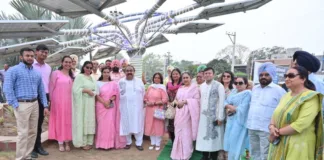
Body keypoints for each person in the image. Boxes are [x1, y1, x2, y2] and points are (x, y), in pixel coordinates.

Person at [268, 66, 323, 160]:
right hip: (279, 142)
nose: (287, 79)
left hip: (299, 144)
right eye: (285, 76)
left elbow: (301, 124)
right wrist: (272, 127)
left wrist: (277, 133)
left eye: (291, 76)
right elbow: (275, 115)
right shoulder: (286, 96)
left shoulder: (310, 97)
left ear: (303, 79)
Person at [3, 47, 49, 160]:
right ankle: (20, 158)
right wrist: (15, 104)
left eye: (31, 56)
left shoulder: (36, 73)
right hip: (21, 104)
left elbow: (41, 90)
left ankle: (27, 156)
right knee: (23, 133)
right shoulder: (13, 70)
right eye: (27, 56)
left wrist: (45, 105)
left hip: (35, 104)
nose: (30, 58)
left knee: (33, 132)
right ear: (21, 57)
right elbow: (7, 88)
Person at [247, 62, 286, 160]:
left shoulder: (279, 90)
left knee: (266, 155)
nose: (263, 77)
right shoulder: (255, 89)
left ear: (272, 75)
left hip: (267, 129)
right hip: (252, 126)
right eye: (261, 75)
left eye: (266, 75)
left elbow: (284, 110)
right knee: (254, 153)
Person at [196, 67, 225, 160]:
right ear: (203, 75)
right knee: (203, 135)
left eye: (209, 73)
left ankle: (213, 157)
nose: (207, 75)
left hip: (214, 116)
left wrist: (220, 117)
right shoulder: (201, 86)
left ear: (213, 74)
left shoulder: (219, 85)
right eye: (206, 73)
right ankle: (204, 156)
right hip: (203, 116)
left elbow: (222, 102)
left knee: (214, 137)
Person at [171, 72, 200, 160]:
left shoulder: (195, 88)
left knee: (186, 133)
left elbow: (197, 101)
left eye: (187, 77)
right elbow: (176, 99)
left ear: (191, 78)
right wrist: (175, 102)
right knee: (178, 132)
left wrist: (185, 101)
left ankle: (186, 154)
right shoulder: (180, 88)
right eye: (184, 78)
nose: (185, 79)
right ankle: (176, 152)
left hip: (189, 113)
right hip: (179, 113)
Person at [95, 67, 126, 149]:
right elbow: (96, 95)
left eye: (107, 72)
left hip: (110, 106)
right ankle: (101, 144)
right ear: (102, 73)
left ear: (110, 73)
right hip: (100, 106)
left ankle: (110, 144)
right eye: (104, 72)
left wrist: (109, 101)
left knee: (110, 125)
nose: (106, 74)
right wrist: (104, 102)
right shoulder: (97, 83)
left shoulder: (113, 83)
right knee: (101, 125)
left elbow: (115, 94)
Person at [48, 56, 74, 152]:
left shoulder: (72, 75)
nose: (68, 64)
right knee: (59, 121)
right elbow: (51, 87)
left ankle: (67, 141)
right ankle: (60, 142)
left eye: (70, 62)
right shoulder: (55, 73)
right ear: (62, 62)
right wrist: (50, 101)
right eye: (66, 62)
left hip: (69, 102)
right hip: (57, 102)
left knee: (68, 121)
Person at [223, 77, 251, 160]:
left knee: (240, 144)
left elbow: (243, 109)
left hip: (240, 123)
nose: (238, 85)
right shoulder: (233, 92)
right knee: (231, 143)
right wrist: (229, 107)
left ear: (246, 84)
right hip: (231, 122)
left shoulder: (248, 93)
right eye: (236, 83)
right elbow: (225, 102)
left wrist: (233, 109)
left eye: (240, 83)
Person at [119, 65, 145, 151]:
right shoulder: (121, 81)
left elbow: (143, 93)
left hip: (137, 108)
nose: (129, 72)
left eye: (131, 70)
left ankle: (139, 143)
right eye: (127, 70)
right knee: (127, 124)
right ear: (125, 72)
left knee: (138, 124)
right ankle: (128, 142)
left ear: (134, 71)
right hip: (125, 107)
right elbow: (118, 93)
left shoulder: (139, 81)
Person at [72, 61, 97, 150]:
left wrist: (92, 92)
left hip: (90, 103)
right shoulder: (79, 77)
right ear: (83, 67)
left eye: (90, 68)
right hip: (82, 103)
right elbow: (75, 90)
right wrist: (86, 90)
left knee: (90, 120)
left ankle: (89, 142)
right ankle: (82, 142)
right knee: (82, 120)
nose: (89, 69)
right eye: (87, 67)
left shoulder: (92, 78)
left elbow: (96, 90)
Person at [32, 44, 51, 158]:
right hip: (33, 96)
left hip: (45, 96)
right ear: (36, 52)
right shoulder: (30, 66)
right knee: (32, 124)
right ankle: (32, 148)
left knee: (39, 123)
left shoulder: (48, 67)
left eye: (46, 52)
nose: (44, 54)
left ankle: (38, 146)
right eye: (42, 52)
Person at [144, 73, 168, 151]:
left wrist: (154, 103)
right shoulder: (150, 87)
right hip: (149, 110)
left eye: (158, 78)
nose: (156, 79)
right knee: (150, 125)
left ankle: (158, 143)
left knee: (158, 126)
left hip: (158, 109)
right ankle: (152, 143)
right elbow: (145, 97)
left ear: (161, 79)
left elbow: (165, 100)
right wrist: (147, 102)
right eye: (155, 78)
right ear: (153, 79)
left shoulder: (162, 88)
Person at [166, 68, 182, 144]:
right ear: (171, 75)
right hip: (171, 108)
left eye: (176, 74)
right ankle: (173, 143)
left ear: (179, 75)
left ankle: (179, 143)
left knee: (179, 125)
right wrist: (168, 102)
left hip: (180, 107)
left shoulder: (182, 84)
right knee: (171, 126)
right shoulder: (168, 84)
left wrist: (176, 103)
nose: (175, 75)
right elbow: (166, 94)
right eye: (173, 74)